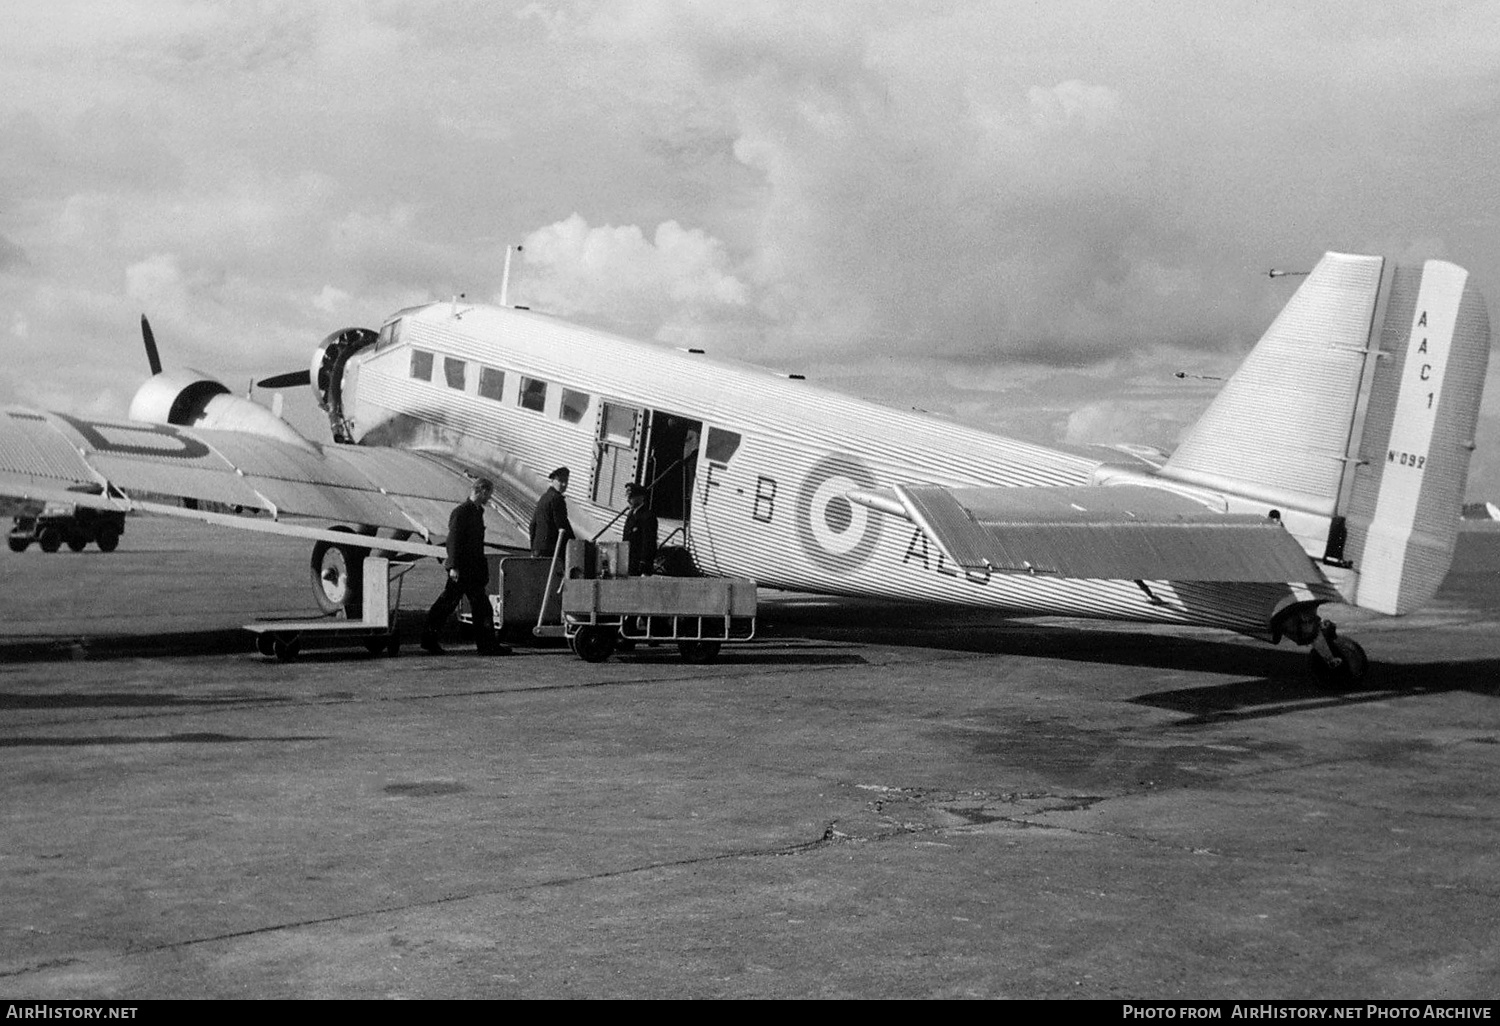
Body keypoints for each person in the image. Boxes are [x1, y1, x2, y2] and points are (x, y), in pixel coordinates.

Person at [421, 478, 510, 655]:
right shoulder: (462, 512)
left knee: (479, 607)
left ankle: (486, 646)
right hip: (462, 570)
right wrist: (453, 566)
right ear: (482, 491)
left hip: (472, 571)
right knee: (448, 605)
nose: (490, 498)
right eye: (489, 494)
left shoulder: (476, 512)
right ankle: (430, 639)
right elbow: (452, 541)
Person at [529, 466, 575, 560]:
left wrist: (534, 548)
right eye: (560, 481)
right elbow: (562, 525)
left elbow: (532, 525)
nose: (564, 484)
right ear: (553, 480)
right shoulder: (557, 499)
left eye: (566, 481)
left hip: (538, 549)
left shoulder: (544, 497)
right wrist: (574, 543)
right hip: (551, 551)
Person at [621, 483, 658, 576]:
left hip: (639, 565)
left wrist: (645, 566)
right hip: (628, 562)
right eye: (628, 497)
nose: (628, 500)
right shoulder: (631, 514)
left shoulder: (648, 517)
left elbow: (649, 543)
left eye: (631, 497)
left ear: (641, 497)